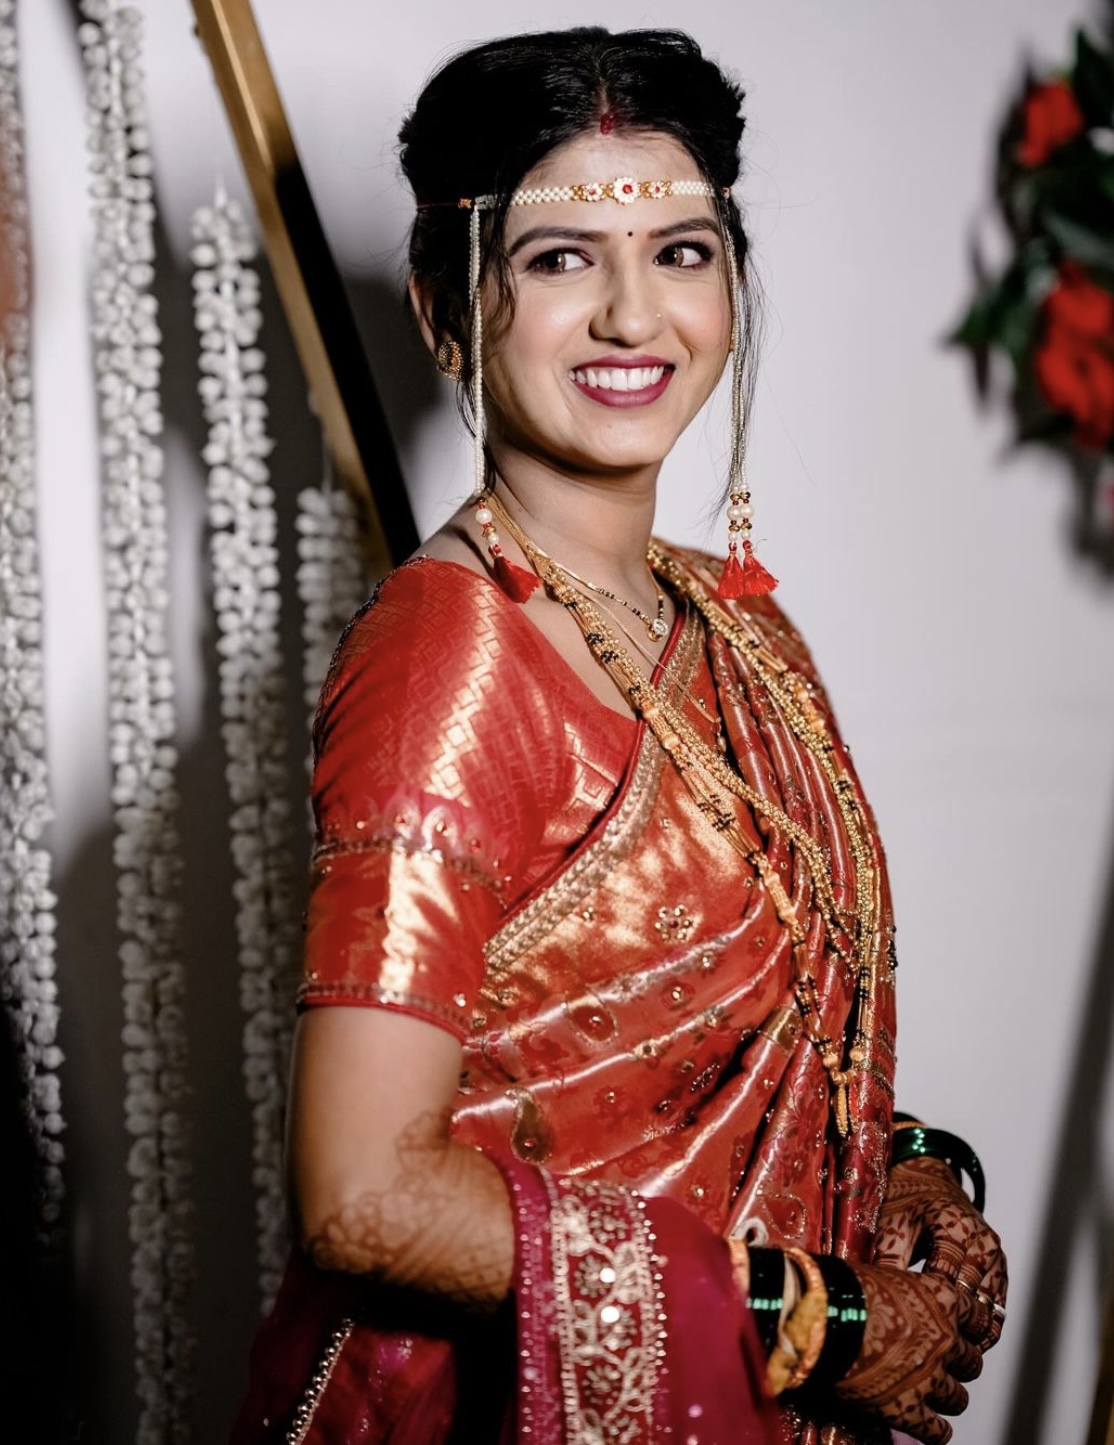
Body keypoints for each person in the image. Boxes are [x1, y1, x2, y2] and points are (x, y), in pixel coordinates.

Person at [231, 27, 1007, 1445]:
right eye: (558, 258)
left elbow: (751, 1064)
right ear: (442, 303)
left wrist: (898, 1174)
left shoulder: (739, 631)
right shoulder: (448, 656)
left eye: (682, 250)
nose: (632, 317)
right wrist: (818, 1320)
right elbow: (363, 1193)